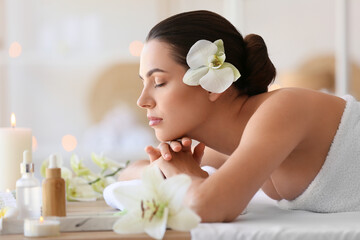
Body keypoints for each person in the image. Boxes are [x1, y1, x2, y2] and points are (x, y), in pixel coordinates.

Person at [116, 10, 360, 222]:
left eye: (158, 82)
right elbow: (126, 175)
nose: (142, 101)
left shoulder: (283, 109)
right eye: (144, 83)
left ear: (213, 85)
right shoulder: (228, 145)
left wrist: (184, 175)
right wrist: (165, 164)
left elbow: (205, 206)